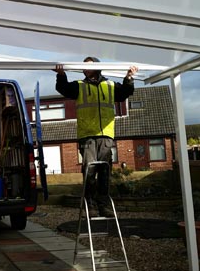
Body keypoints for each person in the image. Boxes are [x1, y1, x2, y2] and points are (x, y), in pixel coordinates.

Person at [54, 57, 138, 217]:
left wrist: (128, 78)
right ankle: (90, 205)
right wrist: (61, 74)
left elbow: (125, 93)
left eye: (88, 66)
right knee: (89, 170)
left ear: (98, 67)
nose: (84, 68)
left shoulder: (110, 85)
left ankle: (104, 205)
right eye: (82, 66)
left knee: (105, 170)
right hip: (87, 136)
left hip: (106, 135)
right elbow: (63, 88)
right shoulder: (79, 86)